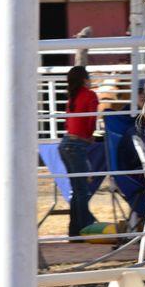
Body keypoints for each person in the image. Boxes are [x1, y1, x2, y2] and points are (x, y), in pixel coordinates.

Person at [59, 66, 99, 237]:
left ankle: (75, 229)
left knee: (77, 189)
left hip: (66, 143)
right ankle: (83, 228)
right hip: (77, 145)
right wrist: (90, 136)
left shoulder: (72, 97)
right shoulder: (90, 95)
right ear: (84, 79)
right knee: (82, 191)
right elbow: (91, 120)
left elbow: (68, 123)